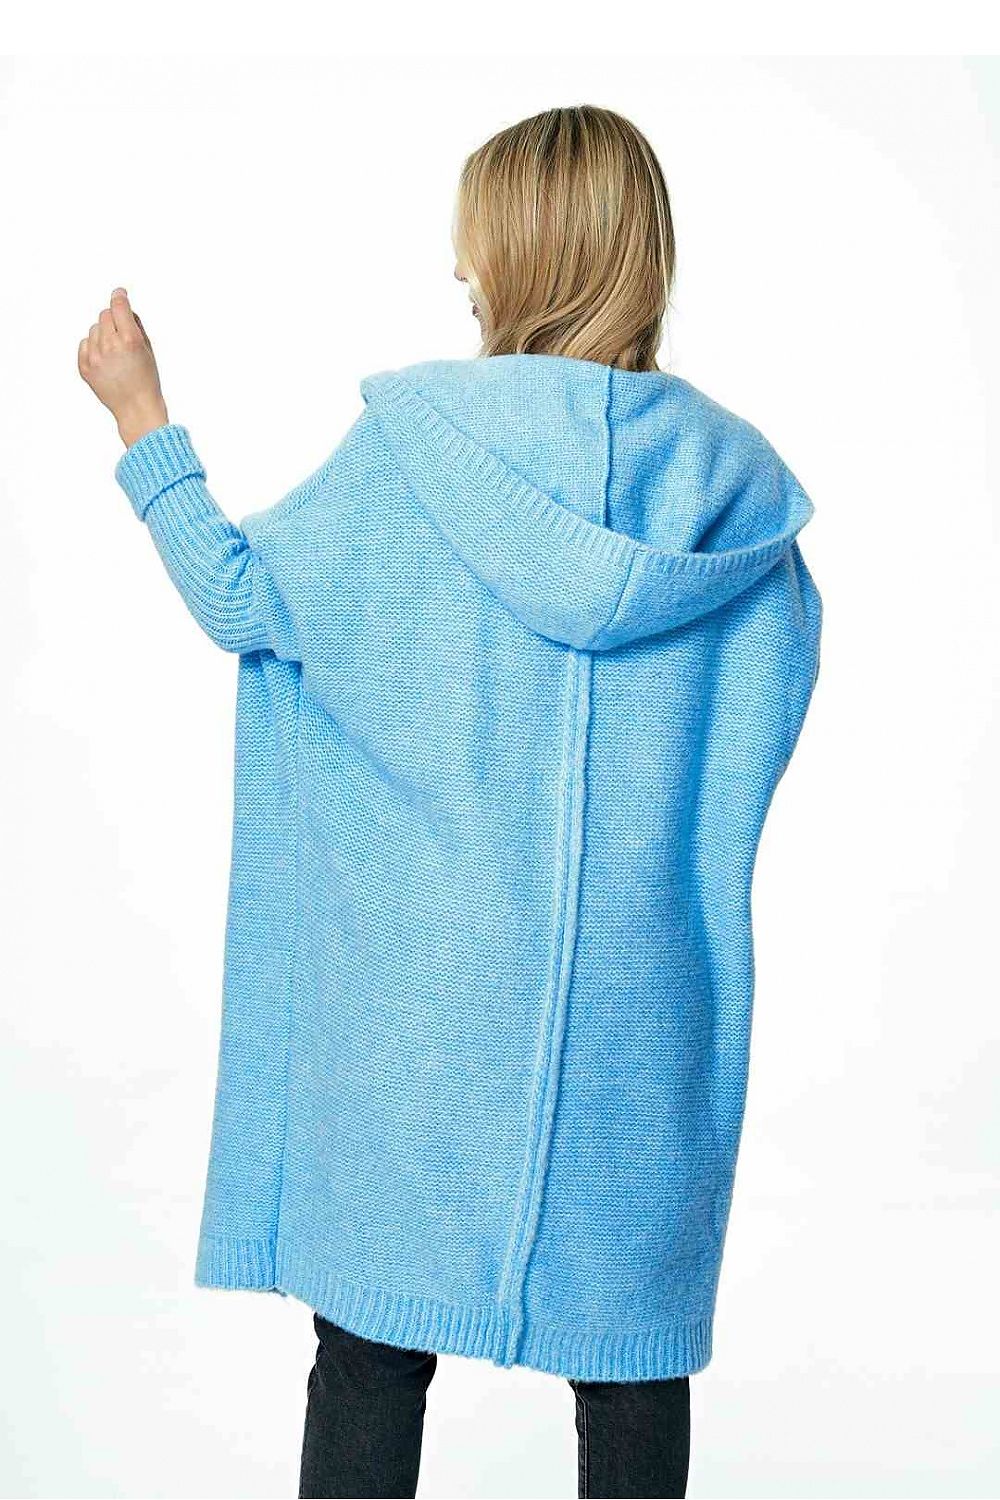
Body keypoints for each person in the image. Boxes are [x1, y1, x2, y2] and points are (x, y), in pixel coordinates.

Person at [79, 104, 821, 1500]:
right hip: (641, 1015)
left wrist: (141, 420)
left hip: (423, 1023)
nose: (460, 270)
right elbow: (765, 719)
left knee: (370, 1351)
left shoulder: (416, 457)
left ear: (514, 258)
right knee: (631, 1371)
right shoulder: (740, 511)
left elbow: (245, 599)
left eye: (475, 243)